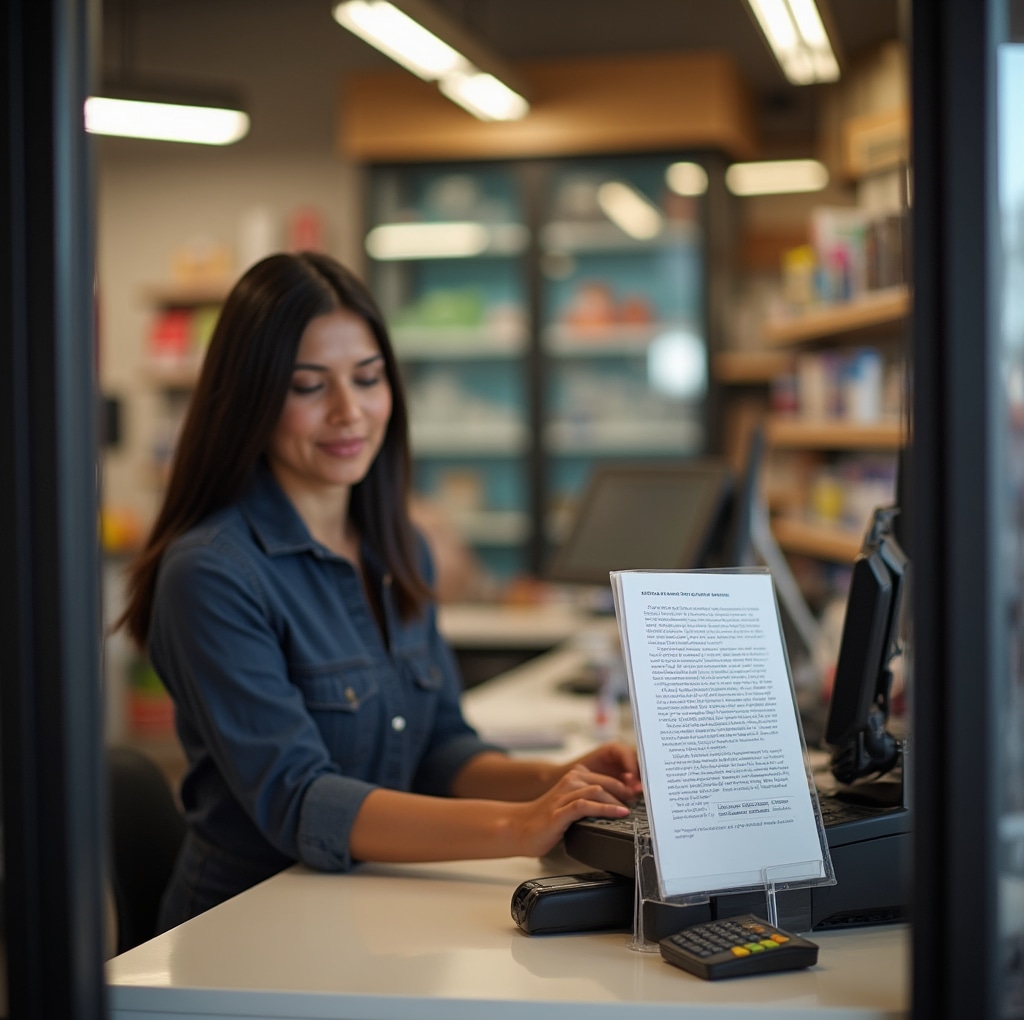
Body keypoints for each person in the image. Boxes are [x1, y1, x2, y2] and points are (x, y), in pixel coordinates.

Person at [116, 251, 641, 931]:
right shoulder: (212, 574)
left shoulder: (398, 548)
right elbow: (300, 800)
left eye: (367, 379)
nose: (349, 412)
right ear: (251, 399)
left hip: (370, 908)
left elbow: (439, 748)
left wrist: (561, 781)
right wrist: (518, 825)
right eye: (309, 386)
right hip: (249, 922)